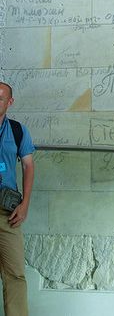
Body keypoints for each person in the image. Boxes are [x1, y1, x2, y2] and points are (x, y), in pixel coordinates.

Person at [0, 82, 35, 316]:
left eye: (0, 98)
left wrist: (25, 205)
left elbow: (28, 166)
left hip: (6, 213)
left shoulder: (18, 130)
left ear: (9, 102)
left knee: (15, 274)